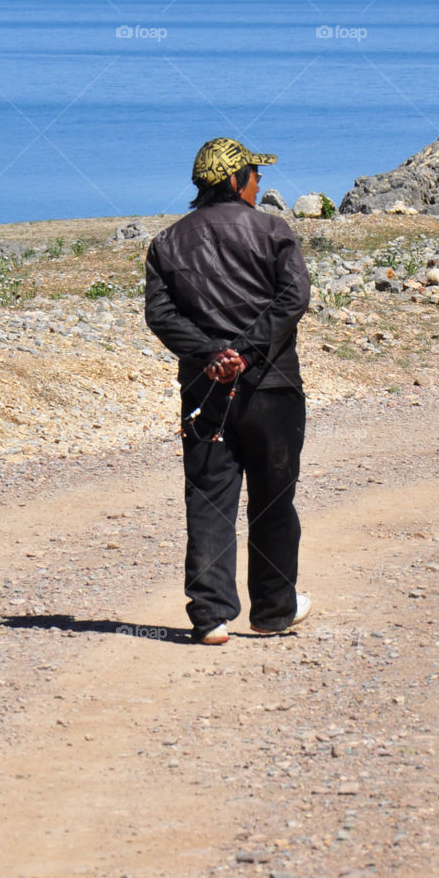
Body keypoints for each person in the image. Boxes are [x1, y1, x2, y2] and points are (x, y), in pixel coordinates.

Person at [144, 138, 311, 643]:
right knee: (273, 498)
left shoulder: (167, 242)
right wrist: (248, 349)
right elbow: (293, 298)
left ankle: (211, 615)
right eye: (255, 177)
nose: (260, 185)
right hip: (271, 386)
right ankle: (274, 610)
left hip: (204, 390)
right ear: (237, 181)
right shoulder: (272, 231)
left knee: (209, 496)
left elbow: (160, 315)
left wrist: (214, 354)